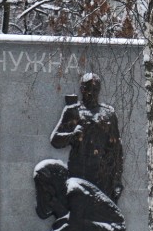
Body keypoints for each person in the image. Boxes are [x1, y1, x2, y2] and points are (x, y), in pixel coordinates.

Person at [29, 160, 126, 231]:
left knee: (67, 227)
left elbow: (74, 228)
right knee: (61, 225)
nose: (45, 189)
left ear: (53, 181)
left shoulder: (75, 189)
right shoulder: (67, 192)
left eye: (45, 184)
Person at [51, 72, 124, 202]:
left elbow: (117, 150)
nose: (90, 92)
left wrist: (117, 181)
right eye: (87, 89)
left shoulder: (108, 114)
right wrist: (72, 136)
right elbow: (55, 140)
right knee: (79, 215)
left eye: (94, 89)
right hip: (79, 173)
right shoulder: (73, 111)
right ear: (81, 89)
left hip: (103, 176)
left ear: (99, 90)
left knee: (103, 217)